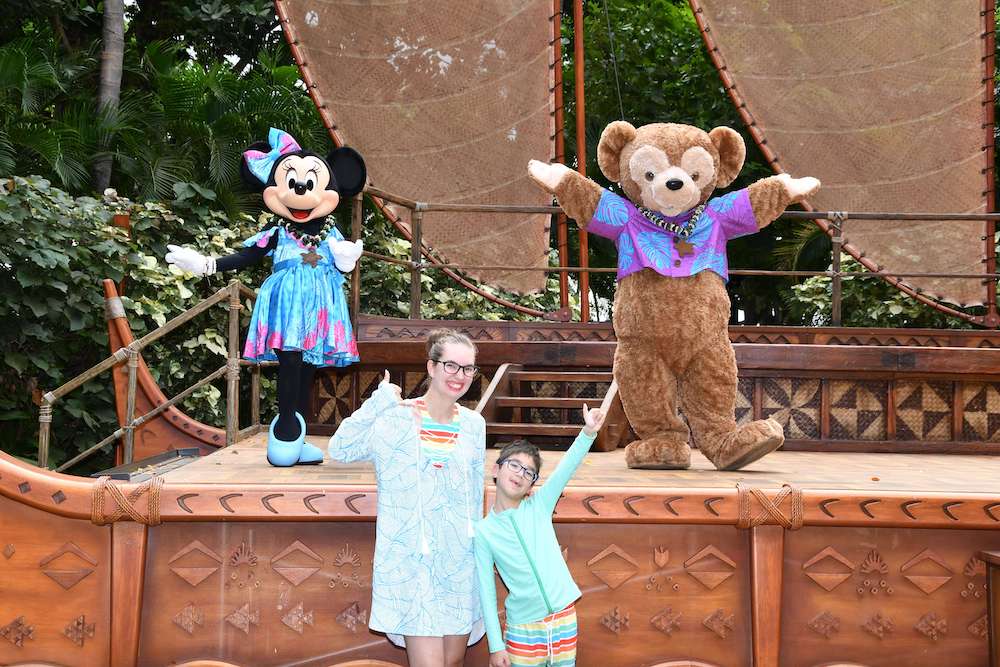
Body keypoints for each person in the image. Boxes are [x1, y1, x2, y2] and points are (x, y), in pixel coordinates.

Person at [328, 329, 485, 667]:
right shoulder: (395, 418)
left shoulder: (475, 425)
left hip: (459, 563)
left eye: (468, 368)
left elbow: (475, 497)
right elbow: (340, 448)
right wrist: (378, 401)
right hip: (413, 566)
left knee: (454, 662)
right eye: (451, 366)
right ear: (431, 367)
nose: (460, 376)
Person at [474, 406, 607, 667]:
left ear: (532, 484)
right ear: (496, 470)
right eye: (514, 465)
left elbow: (565, 469)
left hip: (564, 619)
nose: (520, 474)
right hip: (523, 628)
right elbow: (487, 592)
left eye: (528, 472)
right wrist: (496, 645)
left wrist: (588, 432)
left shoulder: (539, 507)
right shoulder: (484, 532)